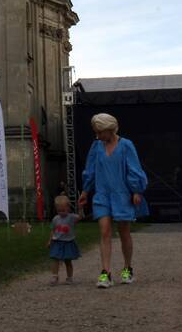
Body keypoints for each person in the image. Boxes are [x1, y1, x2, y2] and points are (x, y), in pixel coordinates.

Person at [77, 112, 147, 288]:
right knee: (105, 231)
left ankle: (127, 268)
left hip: (122, 195)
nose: (97, 136)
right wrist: (85, 191)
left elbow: (134, 169)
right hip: (102, 195)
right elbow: (90, 169)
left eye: (100, 132)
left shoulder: (126, 146)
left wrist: (136, 191)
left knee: (124, 232)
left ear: (109, 130)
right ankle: (105, 273)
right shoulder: (96, 146)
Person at [46, 194, 83, 285]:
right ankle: (55, 276)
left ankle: (69, 277)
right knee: (55, 259)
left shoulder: (71, 217)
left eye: (63, 210)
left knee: (68, 261)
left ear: (68, 208)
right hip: (57, 242)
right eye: (59, 211)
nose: (61, 212)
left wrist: (81, 208)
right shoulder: (55, 219)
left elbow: (80, 217)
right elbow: (52, 229)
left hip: (68, 242)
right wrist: (50, 240)